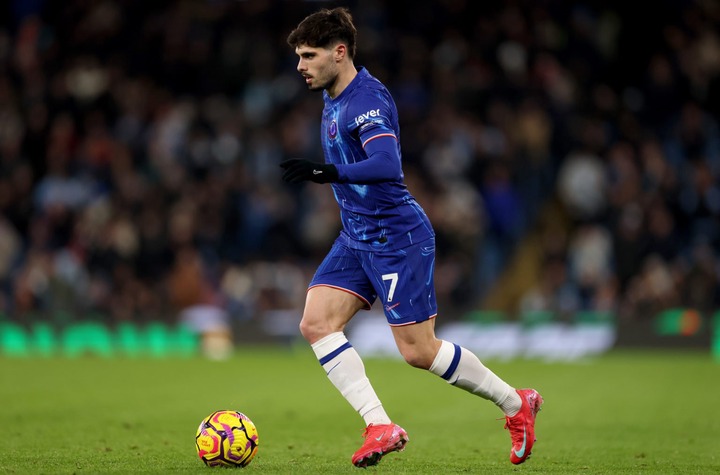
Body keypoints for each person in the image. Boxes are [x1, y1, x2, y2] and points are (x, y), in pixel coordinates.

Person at [281, 7, 542, 468]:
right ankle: (379, 424)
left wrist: (327, 172)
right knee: (316, 323)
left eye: (309, 55)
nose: (301, 65)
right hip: (356, 235)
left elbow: (387, 165)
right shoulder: (333, 96)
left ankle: (516, 404)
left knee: (419, 352)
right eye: (299, 56)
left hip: (395, 237)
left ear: (339, 53)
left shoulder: (366, 101)